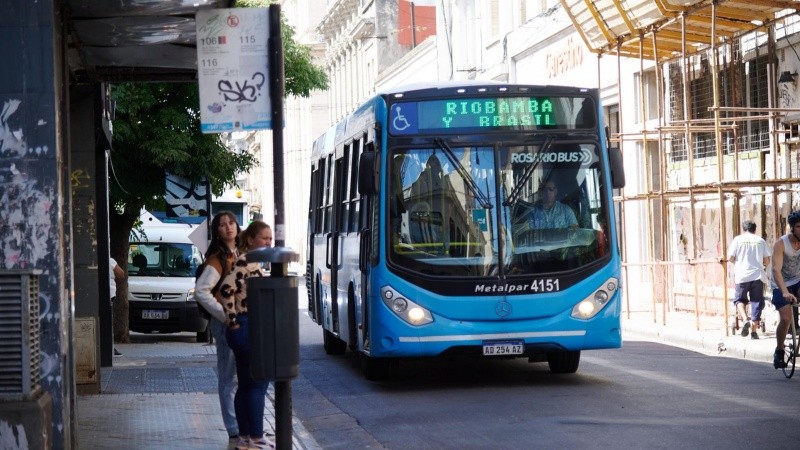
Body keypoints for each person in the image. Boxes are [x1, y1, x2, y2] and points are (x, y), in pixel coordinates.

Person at [219, 221, 274, 450]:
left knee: (245, 384)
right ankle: (256, 435)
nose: (268, 243)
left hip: (244, 326)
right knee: (257, 384)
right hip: (246, 325)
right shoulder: (246, 263)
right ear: (251, 239)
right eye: (264, 238)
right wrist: (232, 320)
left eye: (270, 239)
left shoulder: (249, 263)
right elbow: (225, 289)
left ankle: (244, 436)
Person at [194, 211, 241, 443]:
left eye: (231, 223)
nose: (228, 227)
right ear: (217, 231)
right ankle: (233, 427)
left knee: (240, 376)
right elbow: (202, 292)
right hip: (226, 324)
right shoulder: (217, 259)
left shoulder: (240, 253)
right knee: (228, 377)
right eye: (222, 225)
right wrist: (224, 316)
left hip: (241, 322)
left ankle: (240, 424)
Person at [727, 220, 771, 339]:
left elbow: (730, 257)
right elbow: (767, 260)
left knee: (739, 299)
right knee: (757, 302)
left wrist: (738, 262)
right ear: (754, 229)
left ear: (743, 229)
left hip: (741, 275)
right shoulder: (760, 241)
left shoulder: (737, 240)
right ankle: (754, 332)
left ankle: (745, 318)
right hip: (757, 276)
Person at [770, 211, 800, 369]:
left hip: (798, 281)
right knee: (786, 318)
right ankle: (779, 350)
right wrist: (784, 292)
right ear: (792, 228)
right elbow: (776, 270)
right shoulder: (781, 244)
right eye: (799, 227)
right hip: (780, 284)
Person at [108, 257, 125, 356]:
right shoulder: (110, 260)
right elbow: (121, 274)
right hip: (110, 294)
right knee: (109, 322)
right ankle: (110, 347)